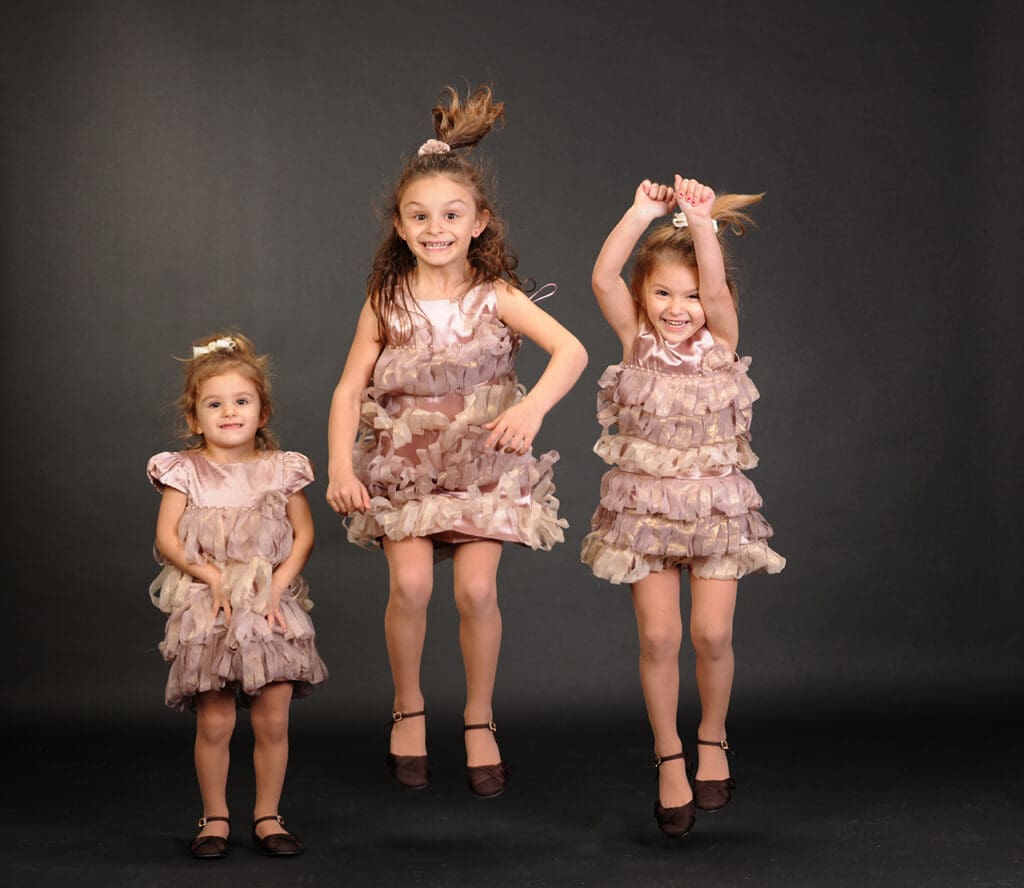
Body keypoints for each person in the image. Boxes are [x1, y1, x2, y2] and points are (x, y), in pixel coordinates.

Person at [326, 84, 587, 799]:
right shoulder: (387, 300)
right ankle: (407, 707)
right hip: (406, 465)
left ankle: (478, 717)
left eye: (450, 215)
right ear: (401, 228)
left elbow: (570, 352)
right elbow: (350, 388)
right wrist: (339, 465)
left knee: (475, 591)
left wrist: (531, 410)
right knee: (410, 584)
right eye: (419, 216)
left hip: (482, 463)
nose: (434, 227)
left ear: (479, 222)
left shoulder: (496, 294)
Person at [580, 176, 785, 838]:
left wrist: (699, 221)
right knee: (661, 637)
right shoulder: (635, 336)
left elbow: (718, 290)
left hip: (716, 506)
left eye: (690, 295)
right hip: (644, 507)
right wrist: (641, 211)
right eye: (664, 292)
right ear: (645, 296)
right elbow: (605, 275)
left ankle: (712, 737)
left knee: (711, 634)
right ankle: (668, 755)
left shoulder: (719, 337)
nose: (678, 307)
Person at [147, 331, 327, 859]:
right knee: (217, 717)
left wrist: (275, 585)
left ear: (262, 411)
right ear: (195, 417)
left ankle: (268, 815)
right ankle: (215, 817)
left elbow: (306, 535)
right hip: (212, 602)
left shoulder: (282, 469)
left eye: (241, 401)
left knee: (273, 716)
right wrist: (209, 577)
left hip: (268, 602)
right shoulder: (185, 471)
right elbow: (166, 538)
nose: (229, 412)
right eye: (215, 404)